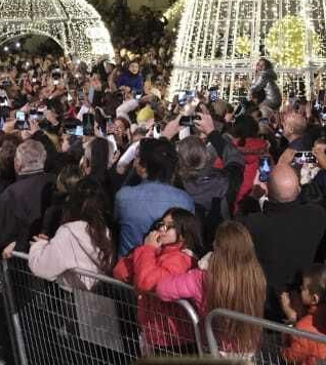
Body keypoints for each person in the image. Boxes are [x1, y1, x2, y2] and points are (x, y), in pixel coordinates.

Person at [153, 221, 270, 355]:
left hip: (216, 348)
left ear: (216, 246)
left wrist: (197, 264)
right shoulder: (257, 276)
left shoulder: (202, 277)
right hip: (247, 347)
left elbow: (162, 289)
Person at [243, 157, 326, 320]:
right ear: (298, 189)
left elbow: (233, 232)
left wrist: (252, 198)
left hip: (267, 307)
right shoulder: (316, 215)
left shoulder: (253, 224)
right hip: (302, 304)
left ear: (267, 191)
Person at [114, 208, 204, 354]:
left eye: (168, 226)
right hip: (155, 333)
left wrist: (147, 250)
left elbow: (146, 283)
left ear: (183, 235)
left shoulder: (182, 259)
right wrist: (146, 251)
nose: (162, 229)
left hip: (175, 337)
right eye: (161, 224)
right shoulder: (156, 252)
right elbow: (120, 271)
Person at [115, 139, 195, 256]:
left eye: (137, 158)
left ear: (143, 166)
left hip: (131, 262)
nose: (134, 163)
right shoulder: (185, 200)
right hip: (169, 264)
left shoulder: (123, 196)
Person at [29, 179, 115, 286]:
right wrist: (49, 244)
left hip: (74, 293)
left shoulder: (68, 232)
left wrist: (38, 245)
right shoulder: (104, 230)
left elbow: (41, 268)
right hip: (98, 292)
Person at [0, 140, 55, 255]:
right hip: (47, 252)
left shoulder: (11, 194)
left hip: (17, 259)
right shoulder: (56, 181)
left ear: (17, 164)